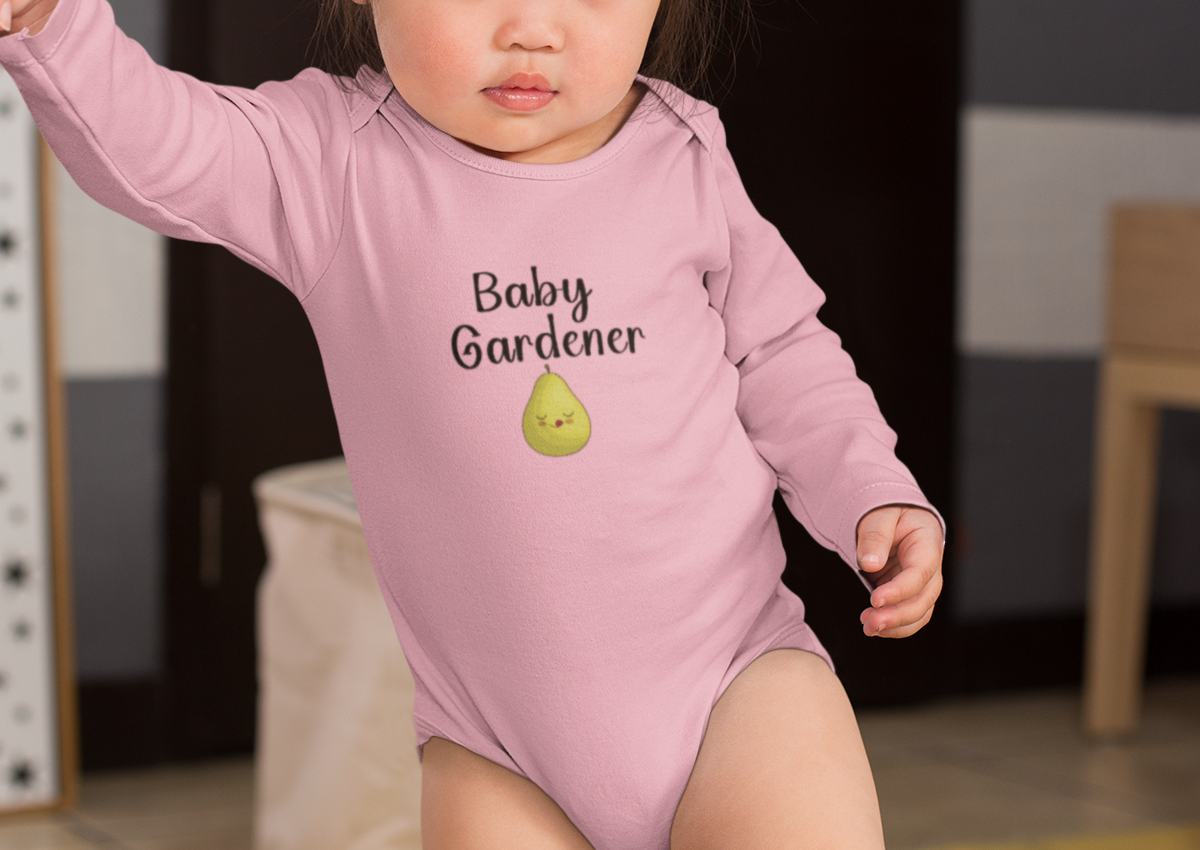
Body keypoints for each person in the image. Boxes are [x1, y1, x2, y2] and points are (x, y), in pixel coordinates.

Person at [0, 0, 945, 846]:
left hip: (734, 682)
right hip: (493, 746)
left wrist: (869, 491)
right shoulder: (337, 158)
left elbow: (783, 355)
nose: (532, 28)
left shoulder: (684, 153)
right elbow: (160, 142)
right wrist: (54, 23)